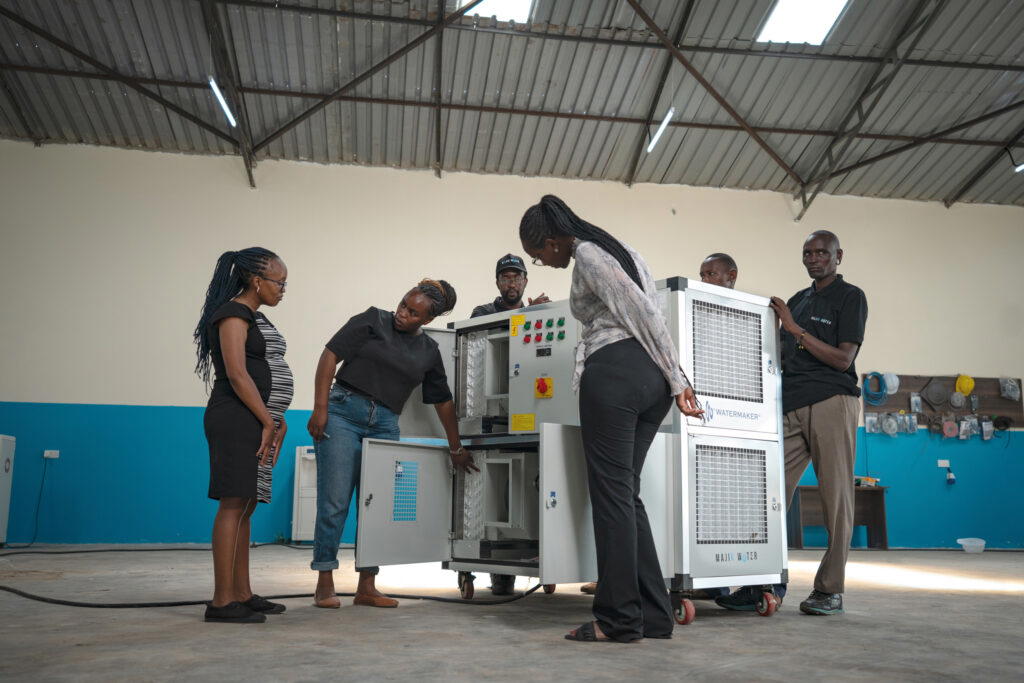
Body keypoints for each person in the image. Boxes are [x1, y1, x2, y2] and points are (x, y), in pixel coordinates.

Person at [519, 195, 703, 643]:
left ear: (551, 240)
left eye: (538, 253)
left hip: (616, 373)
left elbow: (640, 312)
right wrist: (672, 378)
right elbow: (651, 310)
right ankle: (654, 616)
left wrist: (680, 379)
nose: (542, 261)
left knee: (611, 499)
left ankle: (619, 618)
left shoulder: (587, 252)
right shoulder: (619, 247)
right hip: (649, 382)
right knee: (626, 497)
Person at [715, 230, 867, 616]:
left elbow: (842, 360)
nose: (814, 258)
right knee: (765, 496)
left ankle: (829, 590)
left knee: (836, 501)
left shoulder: (851, 297)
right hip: (789, 406)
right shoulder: (798, 300)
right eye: (808, 252)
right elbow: (777, 356)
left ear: (838, 256)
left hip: (833, 400)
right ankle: (759, 583)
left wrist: (795, 329)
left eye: (821, 252)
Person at [307, 280, 479, 609]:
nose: (402, 313)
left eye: (413, 312)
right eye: (403, 305)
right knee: (335, 502)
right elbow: (330, 356)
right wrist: (321, 408)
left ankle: (366, 586)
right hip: (342, 413)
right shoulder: (373, 320)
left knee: (376, 509)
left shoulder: (429, 350)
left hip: (385, 424)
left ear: (427, 321)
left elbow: (442, 401)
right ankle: (324, 581)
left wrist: (455, 447)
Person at [194, 247, 292, 624]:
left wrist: (276, 418)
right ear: (256, 280)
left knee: (246, 504)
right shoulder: (233, 314)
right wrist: (268, 420)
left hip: (256, 418)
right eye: (279, 282)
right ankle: (222, 601)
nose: (283, 289)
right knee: (233, 504)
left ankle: (243, 593)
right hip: (236, 418)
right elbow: (236, 373)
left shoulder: (254, 316)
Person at [470, 253, 550, 318]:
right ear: (498, 284)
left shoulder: (535, 313)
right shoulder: (482, 312)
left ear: (525, 282)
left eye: (517, 279)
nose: (512, 285)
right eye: (505, 279)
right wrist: (527, 313)